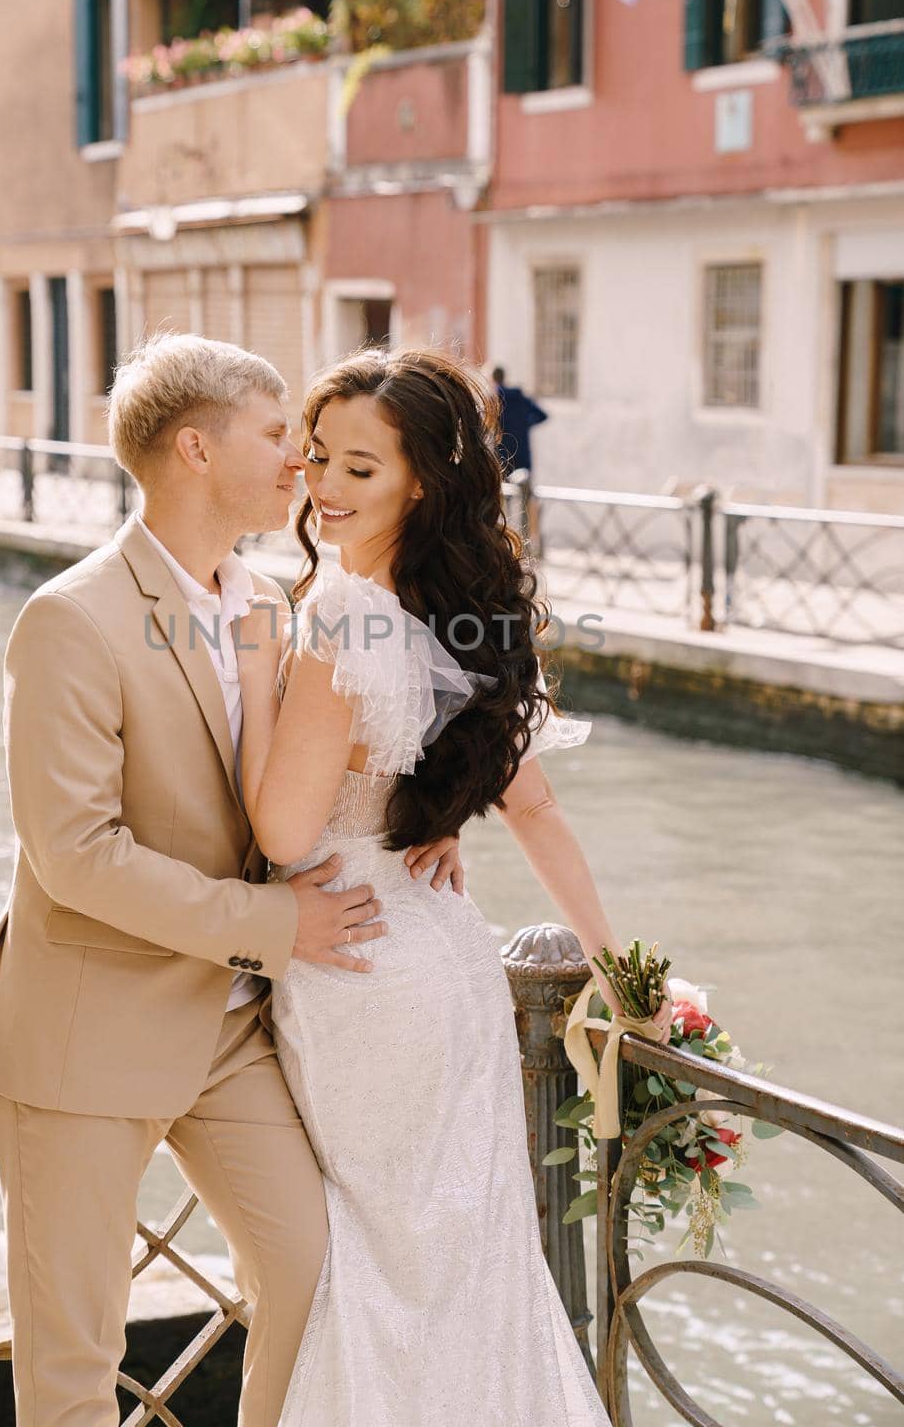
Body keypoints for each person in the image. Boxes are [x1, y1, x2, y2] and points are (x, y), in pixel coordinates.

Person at [0, 334, 463, 1427]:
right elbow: (73, 852)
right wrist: (275, 922)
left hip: (230, 1029)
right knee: (75, 1361)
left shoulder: (274, 599)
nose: (297, 465)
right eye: (277, 436)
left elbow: (318, 779)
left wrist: (435, 821)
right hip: (88, 1031)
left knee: (315, 1282)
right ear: (194, 447)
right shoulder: (71, 620)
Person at [234, 349, 673, 1427]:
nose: (325, 487)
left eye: (360, 471)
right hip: (444, 954)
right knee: (462, 1265)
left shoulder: (333, 617)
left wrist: (259, 668)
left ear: (421, 480)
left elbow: (283, 829)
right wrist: (619, 975)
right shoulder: (445, 607)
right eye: (318, 457)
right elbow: (532, 809)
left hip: (360, 967)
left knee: (382, 1270)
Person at [492, 363, 548, 476]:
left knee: (505, 489)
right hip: (522, 452)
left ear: (493, 378)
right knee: (524, 487)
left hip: (503, 453)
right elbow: (542, 415)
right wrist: (526, 424)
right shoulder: (521, 397)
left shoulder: (493, 400)